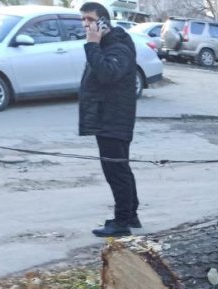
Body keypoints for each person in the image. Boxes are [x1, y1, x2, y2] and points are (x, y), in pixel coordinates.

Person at [78, 2, 140, 237]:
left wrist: (92, 45)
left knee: (116, 171)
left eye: (90, 20)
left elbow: (107, 74)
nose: (86, 24)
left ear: (103, 21)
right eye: (83, 20)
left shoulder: (117, 47)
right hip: (108, 117)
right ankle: (130, 214)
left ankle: (122, 222)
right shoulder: (107, 44)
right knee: (120, 168)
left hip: (114, 119)